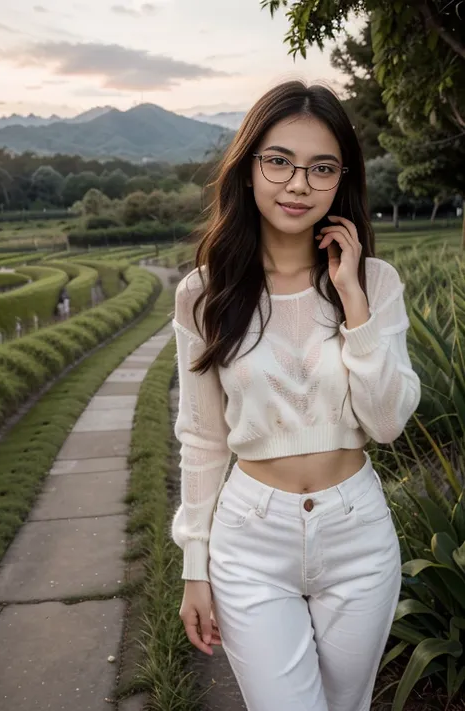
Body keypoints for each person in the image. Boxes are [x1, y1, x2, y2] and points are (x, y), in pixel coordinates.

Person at [170, 80, 422, 711]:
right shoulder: (204, 294)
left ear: (342, 181)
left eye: (322, 168)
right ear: (249, 166)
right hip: (251, 539)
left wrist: (354, 304)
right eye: (279, 161)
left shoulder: (375, 283)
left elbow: (388, 422)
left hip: (357, 534)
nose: (298, 184)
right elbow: (201, 437)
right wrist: (193, 565)